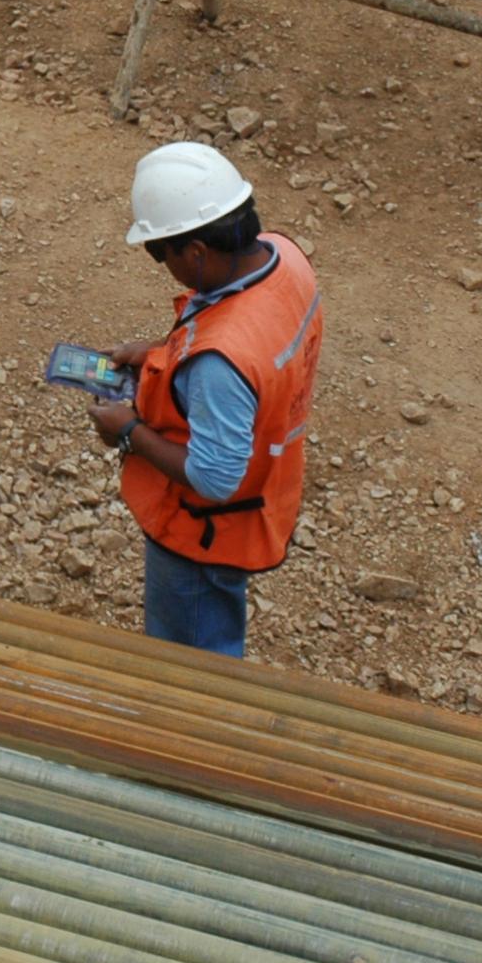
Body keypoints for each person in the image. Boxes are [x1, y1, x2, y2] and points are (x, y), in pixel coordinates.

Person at [81, 143, 321, 658]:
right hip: (265, 491)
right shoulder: (285, 260)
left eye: (158, 251)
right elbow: (239, 334)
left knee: (191, 660)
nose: (159, 262)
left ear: (195, 252)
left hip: (202, 532)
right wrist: (152, 353)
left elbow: (214, 478)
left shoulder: (220, 365)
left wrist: (127, 430)